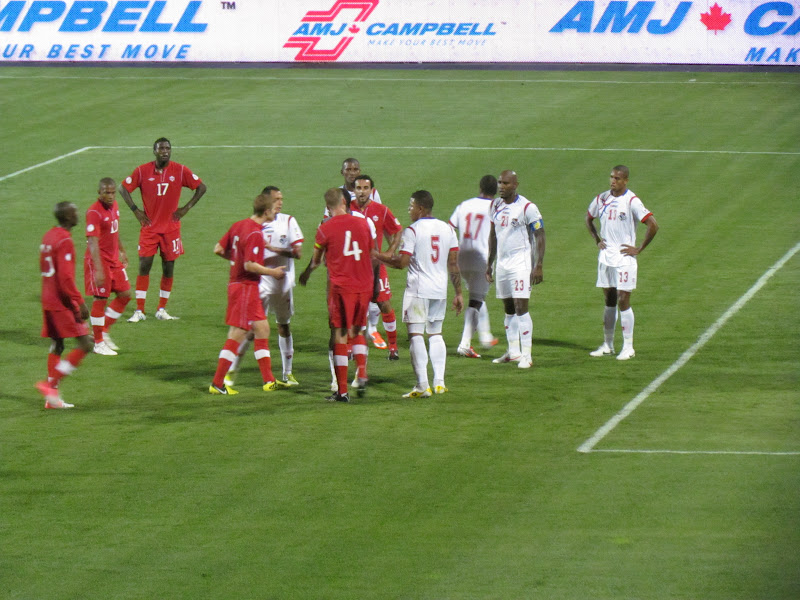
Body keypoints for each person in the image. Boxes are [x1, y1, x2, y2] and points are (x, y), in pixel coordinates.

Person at [378, 190, 463, 398]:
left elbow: (402, 263)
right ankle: (440, 382)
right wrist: (458, 293)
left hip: (418, 291)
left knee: (416, 335)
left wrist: (378, 257)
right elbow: (453, 263)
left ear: (421, 208)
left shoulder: (413, 231)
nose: (409, 210)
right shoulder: (448, 229)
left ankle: (422, 385)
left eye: (411, 206)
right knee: (435, 334)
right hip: (440, 290)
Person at [299, 188, 376, 403]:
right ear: (344, 201)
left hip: (341, 287)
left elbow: (315, 260)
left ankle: (342, 391)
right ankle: (362, 372)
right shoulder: (363, 223)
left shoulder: (325, 228)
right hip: (364, 284)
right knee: (358, 329)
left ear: (327, 206)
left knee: (341, 333)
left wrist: (306, 273)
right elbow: (370, 252)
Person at [119, 137, 207, 322]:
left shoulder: (180, 170)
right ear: (154, 151)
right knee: (144, 266)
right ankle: (140, 310)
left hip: (171, 230)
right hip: (149, 229)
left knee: (168, 268)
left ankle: (161, 309)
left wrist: (186, 208)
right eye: (161, 148)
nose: (165, 151)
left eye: (167, 148)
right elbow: (123, 188)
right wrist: (136, 210)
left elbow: (201, 187)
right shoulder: (142, 171)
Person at [224, 186, 304, 387]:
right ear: (266, 202)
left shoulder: (288, 221)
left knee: (283, 325)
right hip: (259, 283)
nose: (280, 202)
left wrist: (274, 249)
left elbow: (298, 252)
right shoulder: (254, 226)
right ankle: (231, 373)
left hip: (283, 284)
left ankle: (287, 374)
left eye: (281, 198)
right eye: (276, 199)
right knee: (249, 329)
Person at [208, 193, 288, 395]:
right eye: (274, 207)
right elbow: (250, 264)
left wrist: (236, 260)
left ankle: (269, 381)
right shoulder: (254, 233)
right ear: (267, 211)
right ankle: (217, 383)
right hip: (245, 286)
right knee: (239, 333)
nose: (276, 210)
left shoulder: (239, 225)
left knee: (262, 329)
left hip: (242, 286)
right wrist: (273, 272)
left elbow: (218, 249)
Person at [586, 165, 659, 360]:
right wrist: (597, 239)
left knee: (623, 300)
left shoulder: (631, 201)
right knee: (609, 300)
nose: (613, 181)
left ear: (625, 181)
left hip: (624, 259)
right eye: (611, 177)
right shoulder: (602, 199)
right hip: (606, 257)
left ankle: (628, 347)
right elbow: (588, 218)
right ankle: (608, 344)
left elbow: (653, 224)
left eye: (617, 178)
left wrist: (639, 248)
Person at [35, 202, 93, 409]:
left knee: (57, 344)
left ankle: (52, 401)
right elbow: (66, 279)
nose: (78, 214)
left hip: (47, 298)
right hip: (62, 302)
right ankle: (50, 386)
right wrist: (80, 302)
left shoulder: (49, 236)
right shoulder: (65, 241)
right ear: (67, 217)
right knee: (86, 344)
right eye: (74, 212)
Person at [486, 170, 546, 369]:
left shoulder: (527, 208)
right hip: (502, 264)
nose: (501, 187)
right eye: (500, 183)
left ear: (515, 185)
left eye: (505, 183)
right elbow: (493, 235)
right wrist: (489, 263)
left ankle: (527, 355)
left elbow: (540, 235)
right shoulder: (495, 205)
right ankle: (513, 352)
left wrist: (538, 265)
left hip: (521, 264)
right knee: (509, 308)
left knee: (521, 307)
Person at [448, 174, 500, 358]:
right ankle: (465, 343)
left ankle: (485, 336)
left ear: (480, 188)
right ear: (496, 191)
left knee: (476, 296)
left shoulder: (465, 204)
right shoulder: (496, 207)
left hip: (461, 257)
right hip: (482, 258)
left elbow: (450, 227)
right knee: (476, 300)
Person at [352, 174, 402, 359]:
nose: (362, 192)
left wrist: (390, 251)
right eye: (359, 188)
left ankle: (393, 347)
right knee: (353, 307)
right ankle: (350, 348)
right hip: (354, 268)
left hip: (375, 266)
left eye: (366, 188)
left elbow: (397, 230)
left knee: (384, 304)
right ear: (354, 190)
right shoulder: (347, 210)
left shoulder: (381, 210)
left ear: (371, 191)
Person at [84, 177, 132, 356]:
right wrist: (97, 268)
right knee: (100, 299)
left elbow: (114, 230)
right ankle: (98, 343)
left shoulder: (115, 206)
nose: (111, 196)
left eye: (112, 192)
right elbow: (92, 241)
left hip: (113, 260)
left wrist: (122, 250)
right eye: (107, 192)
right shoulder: (94, 212)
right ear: (99, 192)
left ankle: (102, 331)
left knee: (125, 295)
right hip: (99, 261)